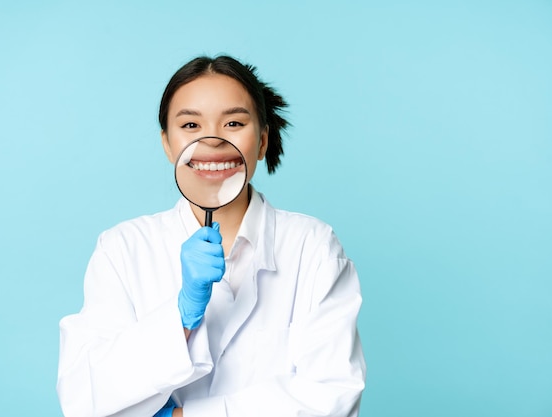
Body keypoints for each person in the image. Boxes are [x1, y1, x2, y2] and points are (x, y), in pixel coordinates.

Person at [57, 55, 366, 417]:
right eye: (190, 124)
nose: (213, 140)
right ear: (168, 144)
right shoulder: (123, 248)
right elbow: (83, 395)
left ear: (263, 140)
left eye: (233, 122)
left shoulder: (312, 246)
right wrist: (181, 316)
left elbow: (333, 395)